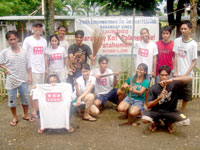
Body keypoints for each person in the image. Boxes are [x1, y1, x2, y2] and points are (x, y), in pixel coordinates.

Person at [142, 65, 192, 133]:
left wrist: (173, 79)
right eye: (162, 75)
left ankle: (169, 122)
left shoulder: (174, 84)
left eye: (166, 75)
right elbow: (148, 106)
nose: (164, 77)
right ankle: (156, 122)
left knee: (186, 121)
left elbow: (189, 78)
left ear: (169, 75)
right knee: (144, 119)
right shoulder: (153, 88)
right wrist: (159, 98)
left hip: (171, 112)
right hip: (156, 112)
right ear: (158, 75)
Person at [0, 31, 32, 126]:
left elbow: (28, 66)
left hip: (23, 79)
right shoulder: (5, 52)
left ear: (17, 39)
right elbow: (0, 63)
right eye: (10, 39)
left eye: (14, 39)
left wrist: (29, 76)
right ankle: (14, 117)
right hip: (11, 80)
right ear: (8, 41)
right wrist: (5, 69)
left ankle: (26, 115)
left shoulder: (24, 52)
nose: (13, 41)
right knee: (12, 100)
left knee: (25, 99)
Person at [22, 21, 48, 118]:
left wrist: (46, 68)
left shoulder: (44, 41)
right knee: (33, 91)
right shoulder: (28, 40)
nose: (38, 28)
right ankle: (33, 110)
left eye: (40, 27)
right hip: (32, 70)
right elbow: (24, 55)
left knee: (40, 90)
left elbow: (45, 55)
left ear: (42, 28)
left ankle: (38, 109)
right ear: (32, 28)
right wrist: (27, 71)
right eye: (36, 27)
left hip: (41, 70)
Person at [173, 21, 197, 112]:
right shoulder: (177, 41)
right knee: (174, 93)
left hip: (187, 75)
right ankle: (173, 109)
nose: (183, 30)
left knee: (186, 95)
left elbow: (194, 61)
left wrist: (186, 74)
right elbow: (175, 56)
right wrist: (175, 71)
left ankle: (182, 111)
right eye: (181, 29)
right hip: (177, 74)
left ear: (190, 30)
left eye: (185, 29)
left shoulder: (193, 44)